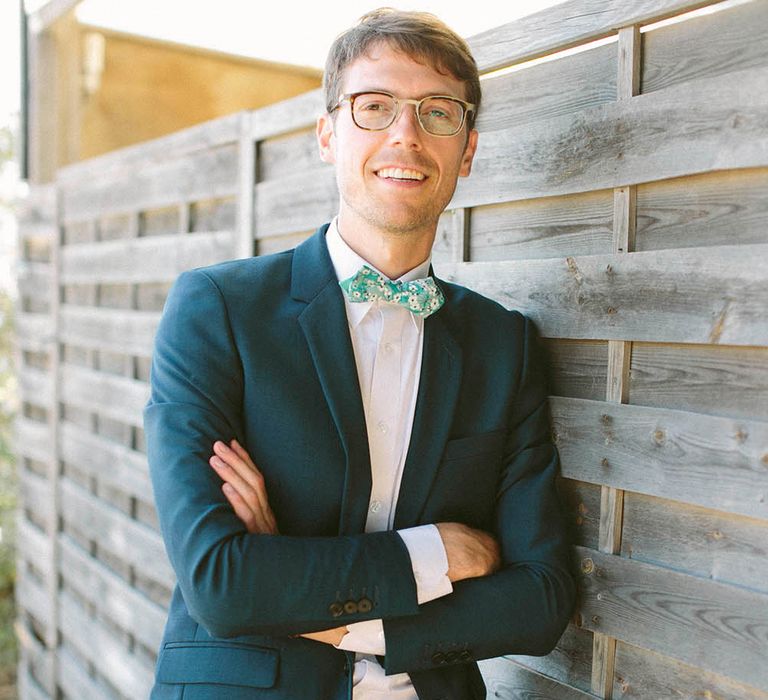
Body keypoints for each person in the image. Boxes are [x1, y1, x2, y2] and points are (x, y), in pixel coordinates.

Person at [144, 8, 576, 699]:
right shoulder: (218, 310)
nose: (406, 134)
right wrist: (442, 553)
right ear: (327, 134)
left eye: (438, 112)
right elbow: (222, 584)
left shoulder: (504, 345)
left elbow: (541, 599)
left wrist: (312, 598)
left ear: (467, 150)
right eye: (374, 107)